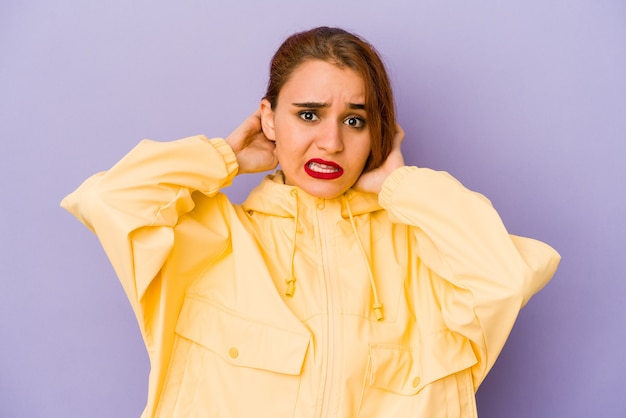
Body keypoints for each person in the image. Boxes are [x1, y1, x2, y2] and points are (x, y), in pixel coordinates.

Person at [61, 26, 560, 418]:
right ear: (269, 119)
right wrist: (224, 157)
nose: (332, 142)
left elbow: (505, 279)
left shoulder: (424, 258)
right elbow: (110, 199)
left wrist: (402, 187)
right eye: (308, 115)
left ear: (378, 136)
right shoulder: (211, 241)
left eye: (355, 120)